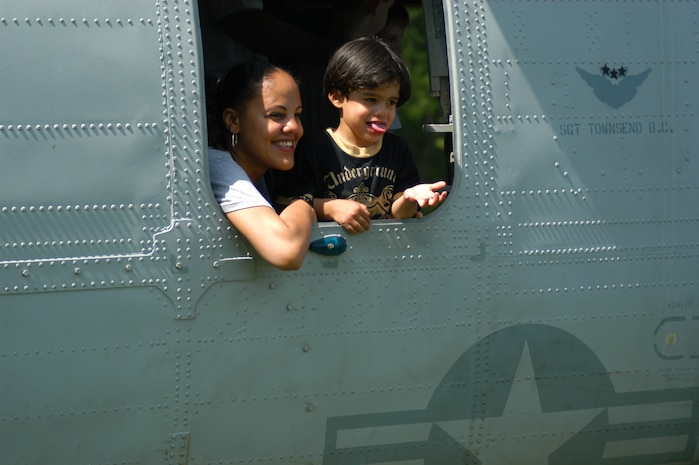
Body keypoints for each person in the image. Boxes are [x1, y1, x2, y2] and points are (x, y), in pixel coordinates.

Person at [276, 36, 447, 234]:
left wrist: (409, 198)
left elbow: (399, 213)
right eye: (371, 99)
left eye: (391, 102)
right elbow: (289, 205)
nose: (383, 111)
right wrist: (331, 208)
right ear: (337, 97)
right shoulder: (315, 147)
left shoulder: (396, 149)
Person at [208, 61, 316, 270]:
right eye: (277, 115)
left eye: (298, 115)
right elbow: (286, 251)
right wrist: (304, 205)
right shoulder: (217, 165)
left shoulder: (264, 168)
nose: (295, 127)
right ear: (233, 121)